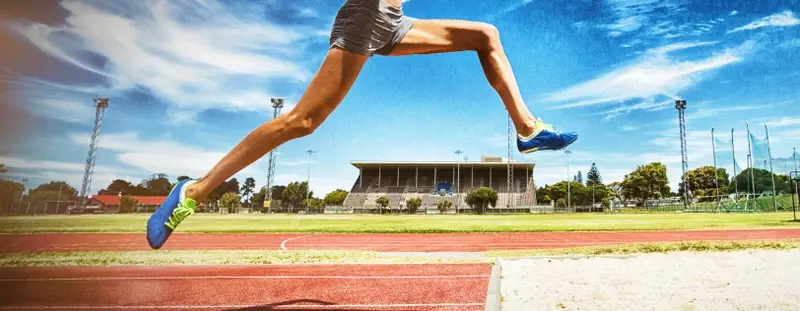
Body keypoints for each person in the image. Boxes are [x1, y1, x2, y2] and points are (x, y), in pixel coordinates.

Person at [146, 0, 578, 249]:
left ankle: (527, 130)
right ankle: (195, 190)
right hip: (365, 12)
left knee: (486, 34)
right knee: (303, 121)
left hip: (392, 19)